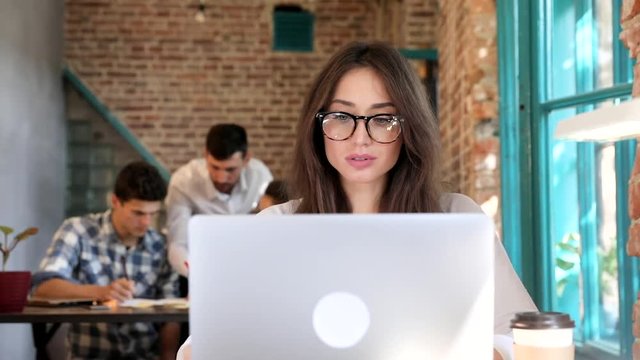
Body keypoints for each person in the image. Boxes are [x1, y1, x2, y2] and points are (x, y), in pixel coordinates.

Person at [177, 41, 536, 360]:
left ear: (408, 128)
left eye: (382, 119)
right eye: (341, 116)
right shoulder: (274, 227)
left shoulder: (457, 218)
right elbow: (194, 350)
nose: (360, 138)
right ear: (318, 128)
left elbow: (525, 335)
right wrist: (216, 315)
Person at [32, 161, 180, 360]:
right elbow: (43, 286)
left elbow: (171, 316)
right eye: (138, 213)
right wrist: (100, 292)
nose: (146, 222)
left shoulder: (161, 245)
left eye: (153, 214)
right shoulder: (78, 231)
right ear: (115, 201)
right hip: (91, 355)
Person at [165, 123, 273, 277]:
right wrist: (199, 276)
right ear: (205, 156)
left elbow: (269, 233)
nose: (221, 178)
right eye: (215, 167)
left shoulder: (260, 177)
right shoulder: (183, 182)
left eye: (230, 169)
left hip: (250, 267)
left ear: (247, 159)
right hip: (198, 268)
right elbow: (178, 244)